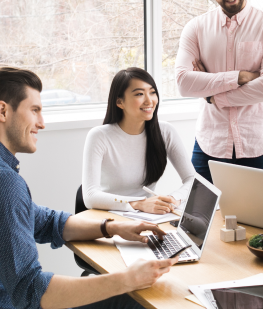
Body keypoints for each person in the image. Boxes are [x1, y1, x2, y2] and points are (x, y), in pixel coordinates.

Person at [0, 67, 192, 309]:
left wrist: (111, 227)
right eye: (34, 110)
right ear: (2, 112)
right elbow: (31, 291)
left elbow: (44, 222)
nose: (42, 123)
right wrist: (127, 279)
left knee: (151, 301)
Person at [175, 0, 263, 182]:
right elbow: (184, 83)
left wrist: (214, 97)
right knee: (201, 214)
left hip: (257, 142)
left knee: (254, 216)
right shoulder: (195, 29)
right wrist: (239, 77)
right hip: (210, 141)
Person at [82, 67, 194, 214]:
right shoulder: (99, 136)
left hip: (149, 216)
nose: (149, 100)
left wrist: (174, 199)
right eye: (139, 94)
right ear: (119, 102)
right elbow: (90, 196)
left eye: (152, 92)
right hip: (109, 215)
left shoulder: (165, 131)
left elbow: (192, 179)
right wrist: (139, 204)